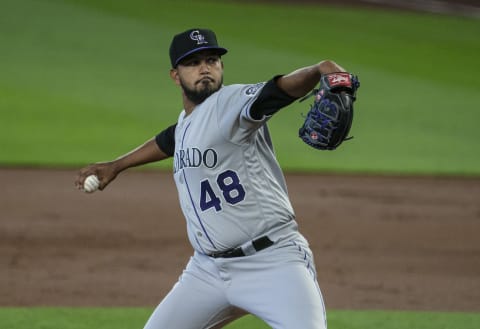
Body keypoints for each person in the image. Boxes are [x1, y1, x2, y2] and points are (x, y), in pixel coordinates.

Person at [75, 28, 348, 329]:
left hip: (273, 262)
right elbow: (170, 140)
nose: (204, 68)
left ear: (221, 68)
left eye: (212, 60)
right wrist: (117, 165)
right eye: (193, 63)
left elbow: (278, 90)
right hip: (207, 271)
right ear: (175, 76)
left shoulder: (232, 103)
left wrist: (319, 70)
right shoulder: (187, 124)